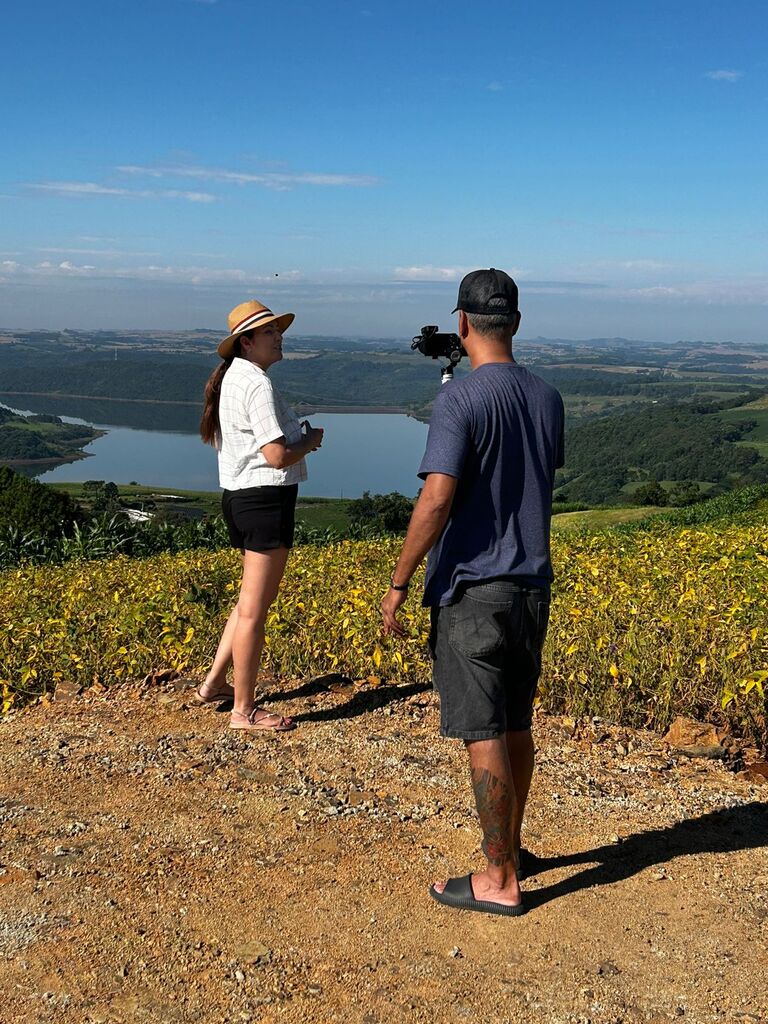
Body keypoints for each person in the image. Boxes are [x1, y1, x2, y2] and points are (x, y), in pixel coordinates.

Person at [381, 269, 564, 916]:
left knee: (482, 729)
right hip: (531, 589)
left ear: (462, 324)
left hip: (474, 591)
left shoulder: (459, 401)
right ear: (514, 322)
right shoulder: (547, 397)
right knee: (516, 722)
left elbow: (437, 497)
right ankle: (510, 848)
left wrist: (400, 581)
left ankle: (498, 878)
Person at [198, 299, 324, 732]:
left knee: (248, 602)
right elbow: (275, 456)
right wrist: (310, 441)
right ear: (246, 343)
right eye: (270, 332)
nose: (279, 336)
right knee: (255, 610)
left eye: (277, 329)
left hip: (240, 498)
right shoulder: (256, 383)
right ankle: (244, 710)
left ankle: (214, 684)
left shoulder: (236, 377)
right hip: (265, 501)